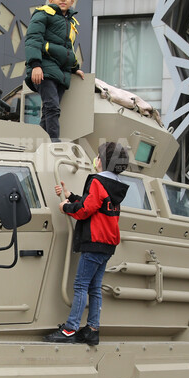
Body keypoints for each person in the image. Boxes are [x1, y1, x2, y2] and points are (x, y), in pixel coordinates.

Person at [44, 142, 130, 346]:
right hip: (107, 244)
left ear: (101, 161)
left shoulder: (97, 182)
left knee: (81, 285)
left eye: (98, 156)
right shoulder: (115, 186)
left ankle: (70, 329)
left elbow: (84, 210)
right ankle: (92, 329)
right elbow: (94, 204)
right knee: (95, 288)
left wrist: (66, 207)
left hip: (93, 242)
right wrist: (71, 196)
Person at [25, 0, 85, 141]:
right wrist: (36, 65)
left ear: (72, 1)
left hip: (61, 73)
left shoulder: (71, 23)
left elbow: (68, 49)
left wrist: (74, 68)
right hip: (44, 69)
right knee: (52, 107)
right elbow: (32, 39)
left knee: (49, 110)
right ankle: (53, 143)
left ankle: (42, 143)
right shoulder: (43, 14)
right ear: (50, 0)